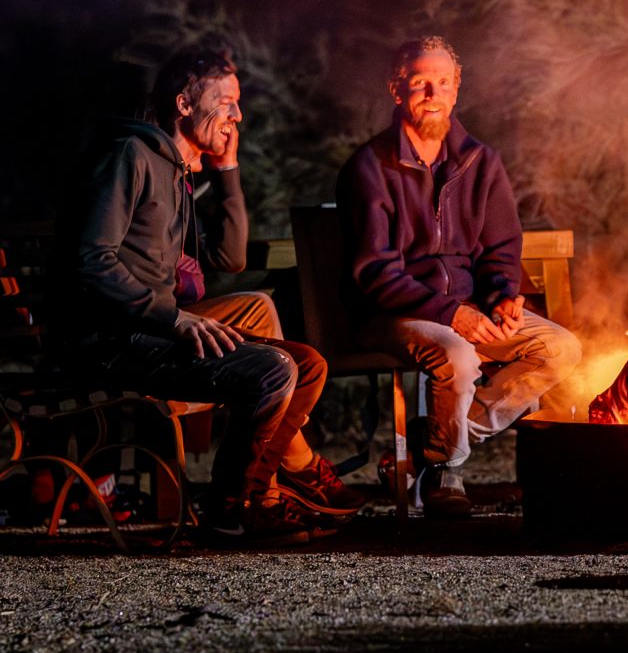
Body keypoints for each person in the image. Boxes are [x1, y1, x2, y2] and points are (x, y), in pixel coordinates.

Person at [55, 45, 352, 541]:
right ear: (184, 104)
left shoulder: (175, 170)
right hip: (110, 340)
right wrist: (173, 318)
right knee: (271, 369)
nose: (238, 115)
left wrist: (227, 171)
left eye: (239, 103)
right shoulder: (131, 156)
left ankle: (250, 499)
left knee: (309, 364)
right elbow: (90, 259)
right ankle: (229, 512)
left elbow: (228, 260)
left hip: (146, 330)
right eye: (226, 101)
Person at [337, 36, 582, 518]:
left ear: (457, 89)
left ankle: (432, 451)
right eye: (421, 82)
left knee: (561, 348)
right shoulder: (369, 168)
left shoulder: (480, 162)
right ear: (396, 88)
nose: (434, 93)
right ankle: (447, 473)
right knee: (456, 353)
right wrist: (454, 315)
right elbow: (377, 273)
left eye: (444, 82)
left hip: (469, 308)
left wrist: (503, 297)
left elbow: (500, 248)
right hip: (396, 312)